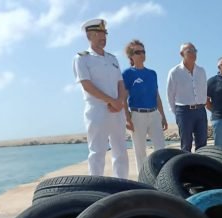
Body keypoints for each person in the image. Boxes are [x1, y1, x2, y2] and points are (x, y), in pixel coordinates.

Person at [73, 18, 129, 178]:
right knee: (97, 152)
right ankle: (96, 190)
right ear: (89, 35)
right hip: (97, 110)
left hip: (117, 110)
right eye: (99, 33)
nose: (103, 37)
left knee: (120, 151)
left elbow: (120, 83)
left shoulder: (112, 59)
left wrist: (119, 102)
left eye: (105, 33)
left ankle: (122, 187)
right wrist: (111, 101)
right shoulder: (82, 58)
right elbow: (87, 85)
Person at [122, 40, 168, 173]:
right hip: (137, 115)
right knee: (140, 150)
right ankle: (143, 179)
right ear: (131, 56)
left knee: (161, 148)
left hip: (154, 114)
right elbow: (123, 98)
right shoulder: (127, 74)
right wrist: (127, 118)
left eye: (143, 51)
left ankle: (162, 176)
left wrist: (163, 116)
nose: (142, 54)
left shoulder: (152, 73)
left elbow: (157, 96)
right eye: (138, 52)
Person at [167, 43, 207, 152]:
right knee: (186, 144)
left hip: (200, 110)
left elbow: (204, 90)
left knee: (202, 144)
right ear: (181, 54)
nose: (193, 53)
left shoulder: (201, 71)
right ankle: (186, 168)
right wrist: (177, 113)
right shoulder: (174, 72)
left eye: (195, 51)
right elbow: (170, 94)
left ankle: (201, 168)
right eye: (189, 51)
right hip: (184, 111)